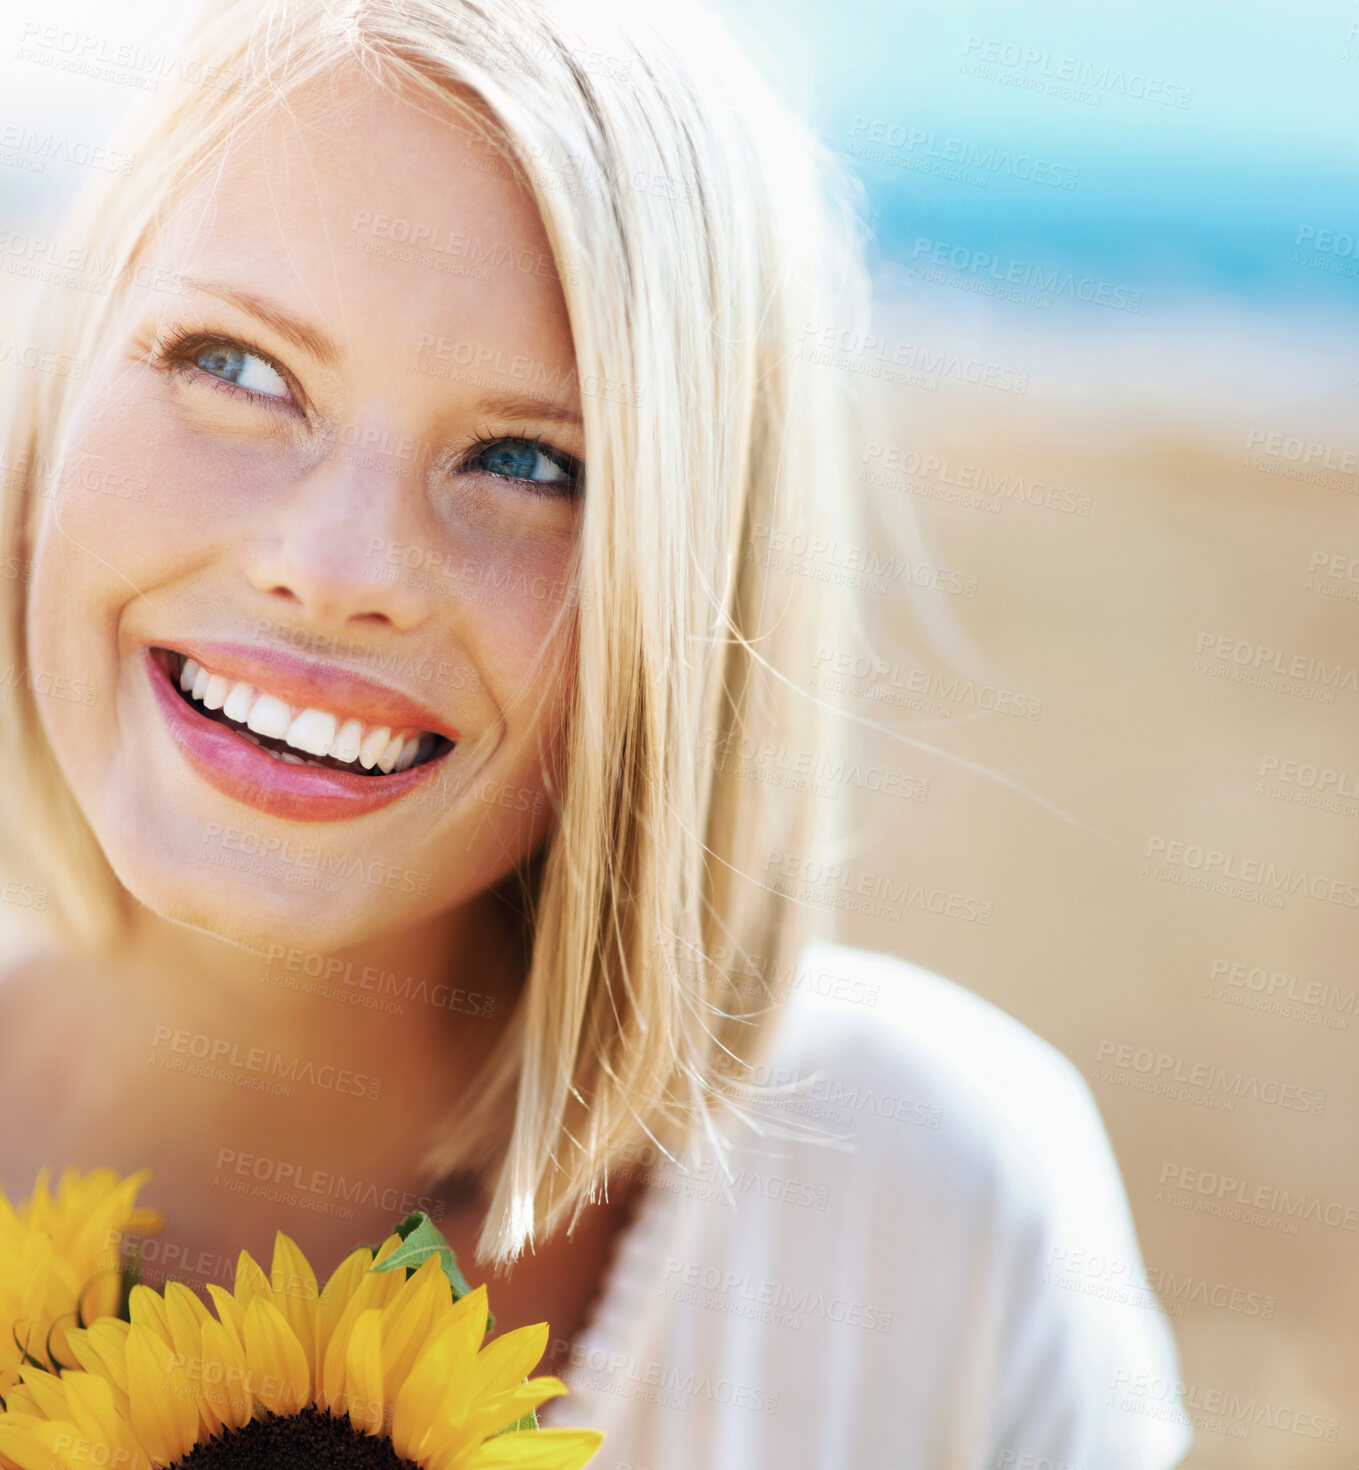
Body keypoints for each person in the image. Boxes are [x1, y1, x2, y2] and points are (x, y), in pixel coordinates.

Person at [0, 0, 1191, 1463]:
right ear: (65, 374)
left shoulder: (934, 1219)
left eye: (528, 461)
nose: (341, 563)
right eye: (236, 366)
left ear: (694, 590)